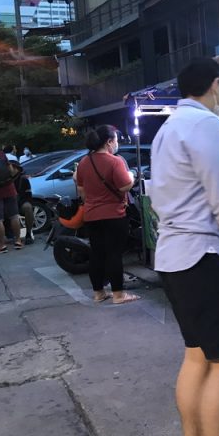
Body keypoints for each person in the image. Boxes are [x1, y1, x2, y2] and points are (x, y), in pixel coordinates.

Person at [149, 57, 219, 436]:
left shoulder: (168, 129)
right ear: (217, 85)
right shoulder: (207, 124)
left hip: (175, 258)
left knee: (197, 357)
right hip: (207, 256)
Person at [75, 125, 138, 304]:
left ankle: (98, 293)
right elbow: (124, 186)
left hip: (91, 215)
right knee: (114, 254)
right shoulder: (114, 161)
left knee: (97, 254)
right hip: (113, 215)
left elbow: (81, 190)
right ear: (109, 142)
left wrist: (94, 201)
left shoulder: (84, 162)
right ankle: (118, 294)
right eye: (116, 140)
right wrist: (132, 176)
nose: (116, 144)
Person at [9, 161, 35, 245]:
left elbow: (29, 196)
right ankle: (10, 234)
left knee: (28, 207)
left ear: (15, 168)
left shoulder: (23, 179)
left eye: (10, 166)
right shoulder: (6, 179)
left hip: (21, 202)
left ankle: (28, 233)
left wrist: (20, 202)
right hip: (9, 203)